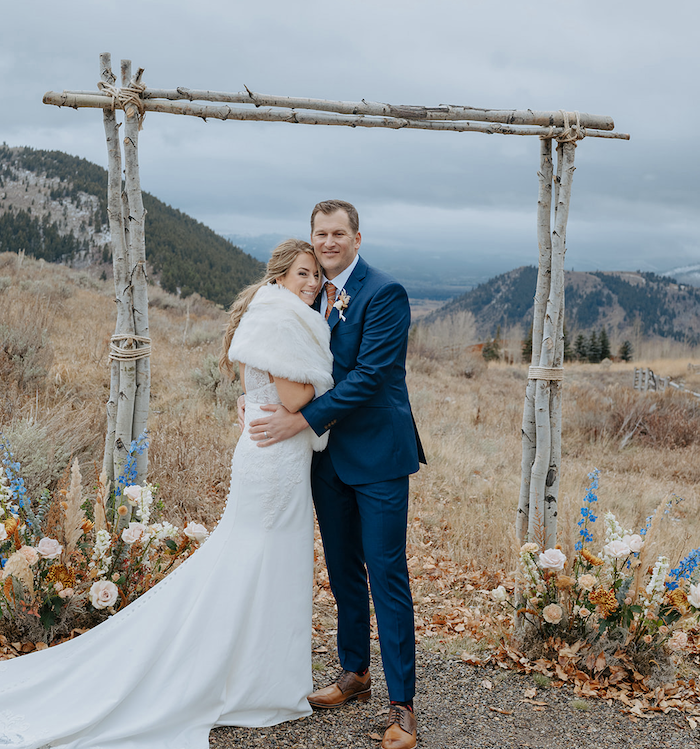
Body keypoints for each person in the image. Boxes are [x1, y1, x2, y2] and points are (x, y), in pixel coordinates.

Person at [0, 239, 333, 748]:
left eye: (316, 276)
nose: (312, 283)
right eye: (303, 273)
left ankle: (253, 672)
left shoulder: (272, 315)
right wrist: (331, 379)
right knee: (259, 561)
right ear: (279, 277)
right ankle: (247, 678)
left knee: (260, 563)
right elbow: (292, 396)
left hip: (272, 456)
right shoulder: (284, 322)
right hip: (274, 462)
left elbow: (264, 389)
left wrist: (264, 395)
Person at [248, 200, 425, 749]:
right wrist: (254, 398)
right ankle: (354, 673)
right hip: (327, 459)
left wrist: (298, 419)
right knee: (344, 570)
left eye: (338, 234)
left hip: (377, 456)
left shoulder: (384, 293)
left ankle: (403, 708)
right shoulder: (306, 294)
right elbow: (283, 356)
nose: (328, 242)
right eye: (320, 234)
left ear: (357, 238)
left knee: (386, 574)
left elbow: (370, 377)